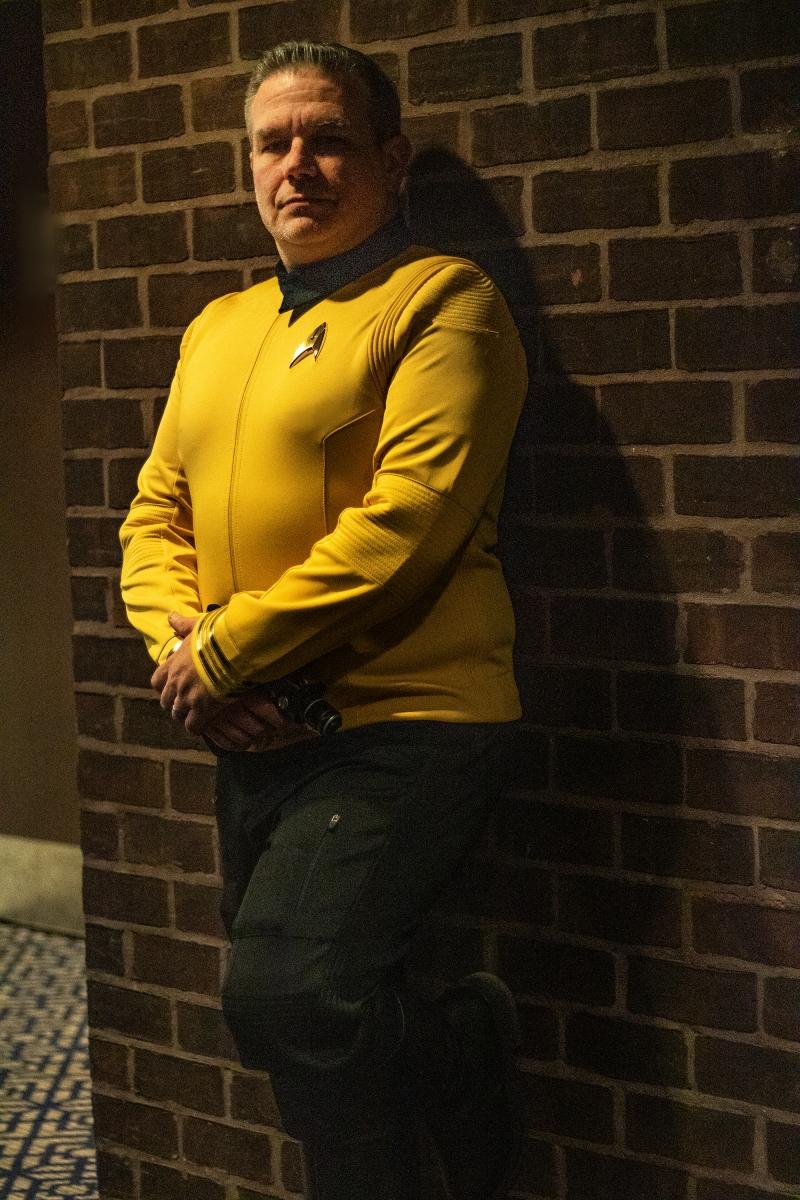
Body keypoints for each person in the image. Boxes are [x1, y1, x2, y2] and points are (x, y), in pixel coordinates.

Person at [119, 40, 528, 1200]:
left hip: (406, 719)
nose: (294, 164)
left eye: (327, 139)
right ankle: (429, 1100)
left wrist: (225, 653)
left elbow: (409, 526)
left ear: (390, 162)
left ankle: (460, 1053)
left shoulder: (442, 302)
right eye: (271, 143)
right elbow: (154, 515)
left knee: (289, 995)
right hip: (255, 724)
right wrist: (183, 652)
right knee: (306, 1035)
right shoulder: (219, 325)